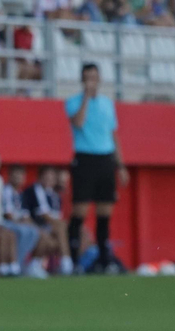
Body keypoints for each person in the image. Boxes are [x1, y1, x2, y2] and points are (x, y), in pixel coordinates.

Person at [65, 63, 127, 273]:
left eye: (94, 77)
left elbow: (113, 134)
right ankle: (73, 261)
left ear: (99, 79)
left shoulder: (108, 104)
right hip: (85, 158)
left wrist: (121, 165)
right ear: (82, 80)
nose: (91, 81)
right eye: (87, 77)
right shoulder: (73, 102)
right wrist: (85, 98)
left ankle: (104, 259)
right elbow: (79, 123)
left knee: (104, 213)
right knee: (80, 211)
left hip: (105, 159)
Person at [22, 165, 71, 275]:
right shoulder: (33, 190)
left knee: (58, 240)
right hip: (34, 225)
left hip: (49, 228)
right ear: (40, 177)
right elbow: (43, 215)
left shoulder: (54, 195)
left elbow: (56, 216)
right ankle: (66, 263)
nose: (49, 180)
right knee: (59, 228)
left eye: (52, 177)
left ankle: (35, 264)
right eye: (46, 177)